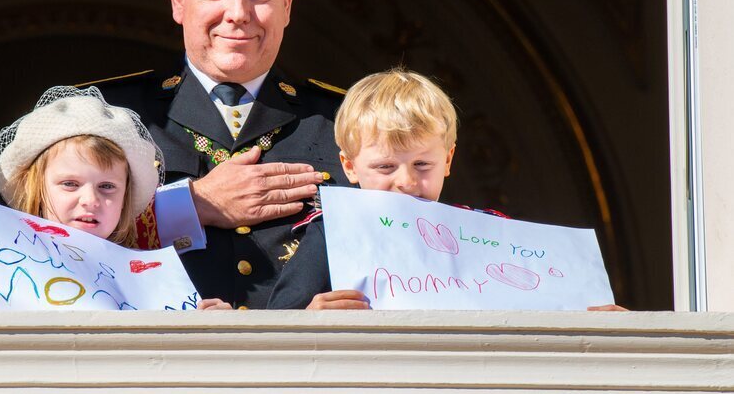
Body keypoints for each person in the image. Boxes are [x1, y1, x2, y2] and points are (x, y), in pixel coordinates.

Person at [87, 0, 347, 309]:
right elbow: (52, 243)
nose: (238, 13)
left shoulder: (348, 123)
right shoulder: (107, 117)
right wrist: (191, 206)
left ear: (288, 1)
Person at [267, 68, 625, 312]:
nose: (405, 182)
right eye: (385, 167)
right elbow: (279, 323)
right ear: (349, 166)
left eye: (423, 165)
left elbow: (546, 307)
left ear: (449, 160)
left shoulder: (486, 232)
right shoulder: (331, 231)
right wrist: (309, 317)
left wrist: (594, 315)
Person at [0, 85, 230, 312]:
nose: (89, 199)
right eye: (70, 184)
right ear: (36, 190)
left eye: (107, 187)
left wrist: (213, 332)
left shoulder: (154, 284)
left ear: (125, 199)